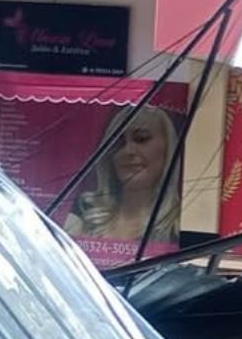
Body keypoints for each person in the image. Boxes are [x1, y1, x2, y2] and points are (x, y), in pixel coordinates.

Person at [64, 105, 181, 245]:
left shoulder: (183, 226)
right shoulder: (82, 214)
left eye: (141, 138)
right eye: (119, 143)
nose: (129, 150)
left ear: (169, 148)